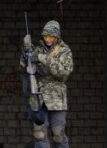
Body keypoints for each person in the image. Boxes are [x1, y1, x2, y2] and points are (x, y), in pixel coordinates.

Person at [20, 20, 74, 148]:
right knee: (39, 134)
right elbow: (24, 67)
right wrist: (26, 51)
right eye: (45, 37)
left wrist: (42, 58)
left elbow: (64, 72)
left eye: (51, 37)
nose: (48, 39)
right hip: (39, 98)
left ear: (57, 37)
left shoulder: (64, 51)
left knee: (58, 135)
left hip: (57, 99)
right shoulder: (38, 49)